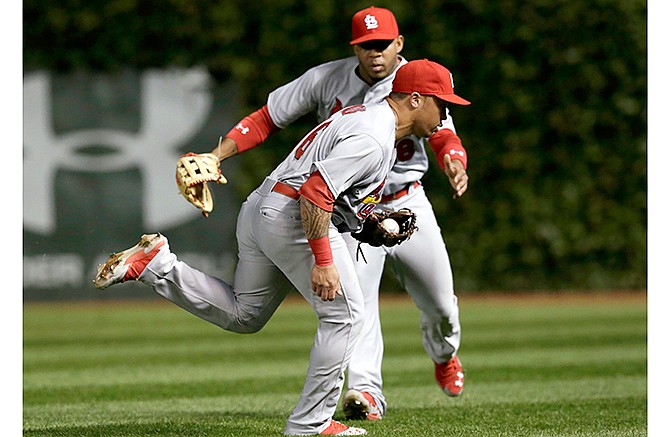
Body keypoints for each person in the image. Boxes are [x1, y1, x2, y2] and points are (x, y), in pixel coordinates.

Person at [93, 59, 470, 436]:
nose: (446, 113)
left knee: (245, 314)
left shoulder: (366, 118)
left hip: (263, 206)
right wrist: (324, 261)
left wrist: (367, 221)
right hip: (292, 215)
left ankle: (157, 265)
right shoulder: (374, 137)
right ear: (416, 99)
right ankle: (310, 425)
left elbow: (333, 190)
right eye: (443, 103)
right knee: (347, 316)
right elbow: (316, 193)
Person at [208, 6, 469, 421]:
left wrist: (454, 160)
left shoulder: (418, 81)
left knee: (441, 304)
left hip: (404, 199)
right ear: (355, 48)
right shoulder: (337, 85)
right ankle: (365, 392)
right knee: (356, 304)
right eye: (366, 45)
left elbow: (443, 133)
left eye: (382, 43)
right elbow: (269, 119)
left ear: (398, 44)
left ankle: (444, 353)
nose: (375, 52)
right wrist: (217, 154)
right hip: (346, 206)